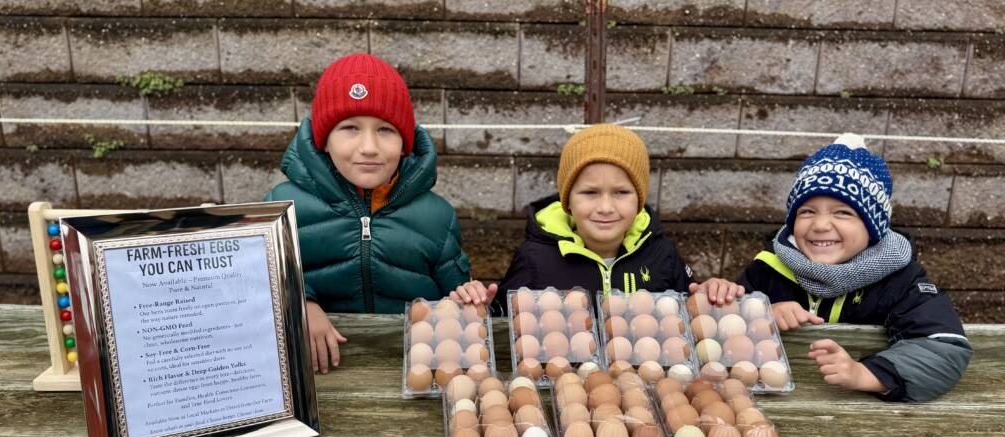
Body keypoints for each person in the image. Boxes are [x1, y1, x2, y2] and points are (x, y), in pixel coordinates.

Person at [264, 54, 471, 373]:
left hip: (410, 369)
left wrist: (471, 299)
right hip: (319, 376)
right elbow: (255, 282)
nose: (370, 146)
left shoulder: (437, 217)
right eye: (350, 128)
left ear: (405, 141)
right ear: (323, 140)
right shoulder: (282, 206)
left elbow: (458, 300)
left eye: (386, 130)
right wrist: (300, 302)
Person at [736, 133, 971, 401]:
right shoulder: (768, 268)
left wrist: (864, 374)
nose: (821, 225)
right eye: (807, 212)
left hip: (868, 418)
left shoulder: (902, 281)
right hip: (774, 406)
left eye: (842, 213)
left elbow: (944, 348)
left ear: (872, 229)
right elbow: (717, 331)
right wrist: (760, 314)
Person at [451, 123, 741, 313]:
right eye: (590, 192)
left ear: (639, 200)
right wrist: (481, 304)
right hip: (562, 390)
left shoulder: (661, 253)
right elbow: (502, 317)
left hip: (646, 393)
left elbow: (692, 311)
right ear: (567, 201)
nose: (605, 207)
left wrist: (713, 293)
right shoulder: (536, 257)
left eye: (621, 192)